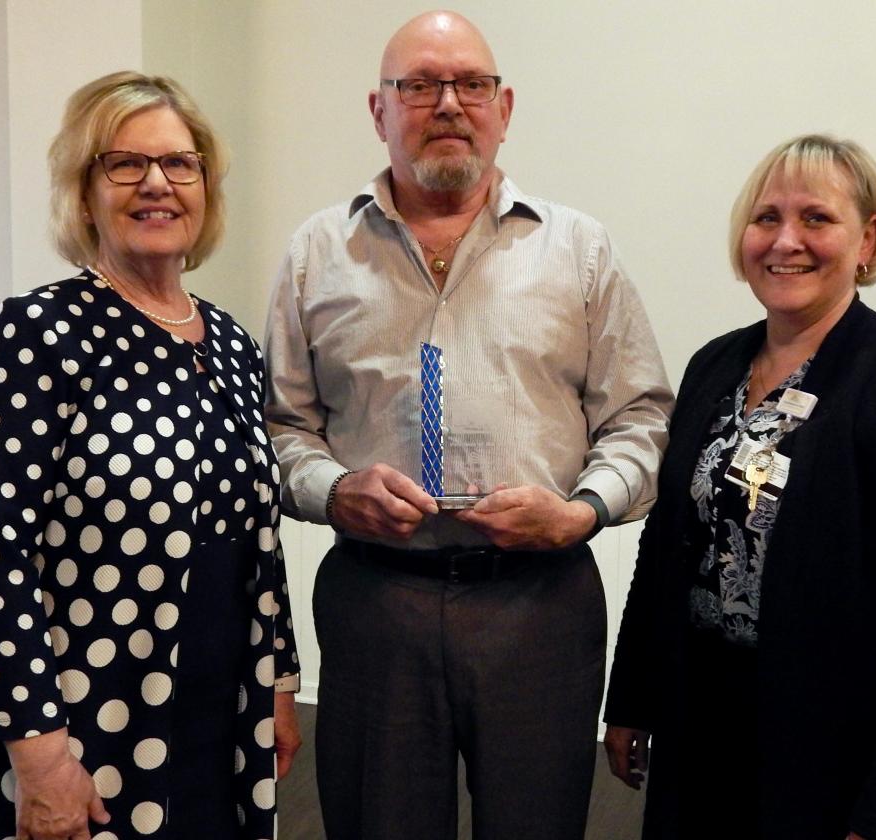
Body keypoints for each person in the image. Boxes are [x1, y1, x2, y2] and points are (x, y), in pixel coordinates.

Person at [263, 10, 673, 839]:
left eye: (470, 84)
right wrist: (336, 491)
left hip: (540, 606)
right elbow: (277, 428)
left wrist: (582, 511)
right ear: (379, 111)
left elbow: (641, 420)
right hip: (377, 600)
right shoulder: (316, 254)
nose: (448, 102)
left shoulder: (581, 251)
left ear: (504, 105)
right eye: (419, 84)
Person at [604, 133, 876, 840]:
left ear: (868, 237)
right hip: (702, 724)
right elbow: (666, 545)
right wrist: (631, 699)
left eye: (816, 219)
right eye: (766, 218)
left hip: (836, 748)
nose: (785, 241)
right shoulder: (714, 365)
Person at [0, 72, 301, 840]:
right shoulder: (38, 335)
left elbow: (260, 535)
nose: (157, 183)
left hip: (222, 718)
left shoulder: (229, 341)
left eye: (180, 164)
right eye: (124, 164)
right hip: (93, 725)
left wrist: (281, 683)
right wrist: (38, 755)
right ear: (83, 188)